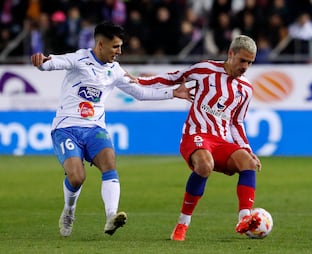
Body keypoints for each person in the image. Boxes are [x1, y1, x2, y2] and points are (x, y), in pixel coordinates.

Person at [30, 21, 192, 237]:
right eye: (115, 46)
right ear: (100, 45)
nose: (119, 51)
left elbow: (140, 92)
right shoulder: (79, 59)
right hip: (66, 128)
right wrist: (42, 62)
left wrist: (172, 93)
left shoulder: (115, 71)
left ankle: (111, 217)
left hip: (95, 128)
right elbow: (56, 62)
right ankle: (69, 211)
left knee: (109, 162)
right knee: (77, 177)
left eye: (120, 46)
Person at [138, 35, 262, 241]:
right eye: (242, 60)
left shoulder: (246, 89)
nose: (245, 66)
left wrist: (248, 150)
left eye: (250, 62)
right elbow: (173, 77)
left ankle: (245, 219)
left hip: (221, 140)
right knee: (205, 166)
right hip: (195, 134)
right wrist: (138, 81)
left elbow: (236, 123)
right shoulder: (205, 70)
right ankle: (182, 225)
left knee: (248, 163)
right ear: (231, 54)